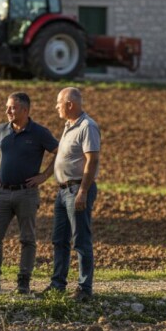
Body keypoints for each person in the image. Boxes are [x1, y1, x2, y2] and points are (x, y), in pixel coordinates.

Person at [0, 92, 58, 294]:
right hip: (2, 192)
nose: (8, 111)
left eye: (12, 107)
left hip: (26, 193)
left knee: (27, 238)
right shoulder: (2, 130)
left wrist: (44, 175)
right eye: (7, 107)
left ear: (25, 110)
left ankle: (24, 281)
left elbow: (59, 151)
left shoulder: (39, 132)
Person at [42, 87, 100, 302]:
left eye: (59, 102)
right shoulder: (69, 126)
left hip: (77, 189)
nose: (56, 106)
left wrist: (83, 191)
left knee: (81, 240)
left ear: (70, 104)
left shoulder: (87, 126)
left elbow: (92, 160)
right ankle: (58, 284)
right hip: (63, 190)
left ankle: (85, 288)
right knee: (60, 239)